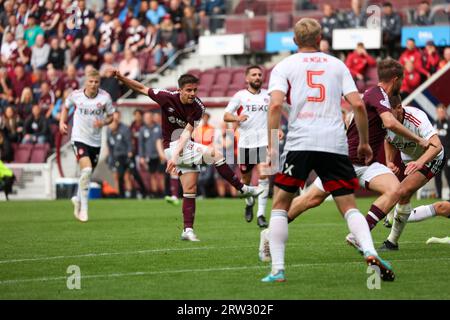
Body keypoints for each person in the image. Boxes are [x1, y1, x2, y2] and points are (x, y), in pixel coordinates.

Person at [261, 18, 394, 283]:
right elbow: (357, 105)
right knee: (349, 206)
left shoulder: (284, 66)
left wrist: (272, 148)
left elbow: (275, 107)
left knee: (279, 205)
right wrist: (365, 143)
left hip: (300, 141)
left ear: (295, 40)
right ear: (320, 37)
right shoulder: (337, 65)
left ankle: (277, 270)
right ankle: (369, 250)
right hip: (334, 143)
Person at [259, 58, 430, 264]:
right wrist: (418, 139)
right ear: (396, 79)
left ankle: (359, 235)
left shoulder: (381, 97)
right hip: (346, 160)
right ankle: (270, 232)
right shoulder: (376, 94)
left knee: (395, 190)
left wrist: (389, 159)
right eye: (401, 80)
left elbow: (380, 128)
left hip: (367, 164)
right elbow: (389, 123)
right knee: (311, 200)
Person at [113, 71, 264, 241]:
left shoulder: (198, 107)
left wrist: (175, 157)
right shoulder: (166, 97)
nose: (192, 94)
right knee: (215, 154)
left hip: (184, 145)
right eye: (189, 90)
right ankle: (243, 189)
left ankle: (187, 230)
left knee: (190, 190)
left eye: (195, 90)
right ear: (180, 90)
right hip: (172, 146)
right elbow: (141, 87)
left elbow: (186, 133)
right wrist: (121, 78)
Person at [378, 95, 444, 250]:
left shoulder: (416, 117)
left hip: (431, 158)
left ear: (399, 108)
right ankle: (443, 209)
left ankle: (391, 241)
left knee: (402, 191)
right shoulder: (385, 121)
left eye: (389, 112)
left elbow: (437, 145)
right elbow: (388, 140)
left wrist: (420, 162)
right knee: (403, 195)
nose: (385, 117)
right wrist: (389, 161)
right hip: (411, 160)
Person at [59, 69, 115, 222]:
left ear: (99, 83)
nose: (93, 84)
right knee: (87, 169)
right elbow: (65, 107)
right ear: (86, 82)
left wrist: (103, 122)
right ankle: (84, 209)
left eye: (96, 82)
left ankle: (77, 199)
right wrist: (62, 122)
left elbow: (111, 117)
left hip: (95, 141)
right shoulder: (76, 95)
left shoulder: (105, 98)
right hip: (79, 138)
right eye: (91, 81)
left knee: (87, 174)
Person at [224, 65, 271, 228]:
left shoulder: (268, 96)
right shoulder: (240, 96)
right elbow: (226, 115)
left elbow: (275, 114)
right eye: (254, 75)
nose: (257, 77)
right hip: (246, 144)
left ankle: (261, 214)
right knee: (245, 179)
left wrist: (276, 130)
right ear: (247, 78)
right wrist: (237, 118)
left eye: (259, 74)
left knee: (264, 175)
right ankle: (250, 201)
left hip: (264, 142)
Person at [107, 111, 134, 198]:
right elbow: (109, 145)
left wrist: (129, 153)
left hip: (124, 156)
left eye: (117, 117)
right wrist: (110, 157)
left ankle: (129, 194)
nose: (115, 119)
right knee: (116, 176)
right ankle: (119, 194)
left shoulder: (124, 128)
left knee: (126, 176)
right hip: (114, 156)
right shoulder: (109, 130)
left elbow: (129, 142)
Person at [433, 104, 450, 199]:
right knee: (437, 175)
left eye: (442, 112)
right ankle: (439, 195)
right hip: (437, 154)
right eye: (439, 112)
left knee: (448, 174)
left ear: (445, 112)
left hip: (448, 154)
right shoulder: (434, 124)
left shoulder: (449, 123)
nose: (441, 114)